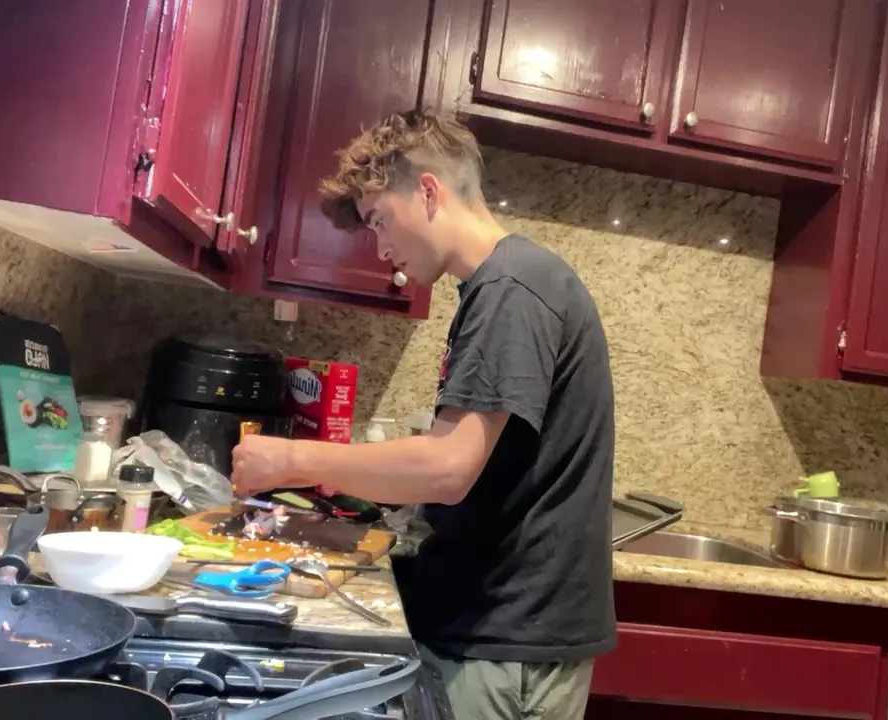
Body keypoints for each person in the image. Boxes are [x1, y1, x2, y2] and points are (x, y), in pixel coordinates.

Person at [230, 110, 616, 720]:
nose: (381, 247)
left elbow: (446, 468)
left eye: (380, 220)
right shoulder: (505, 284)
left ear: (429, 192)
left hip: (505, 642)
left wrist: (290, 459)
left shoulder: (511, 289)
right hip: (496, 627)